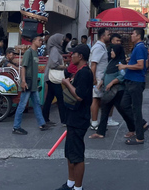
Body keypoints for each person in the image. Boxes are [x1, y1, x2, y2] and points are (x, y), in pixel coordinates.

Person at [58, 44, 94, 190]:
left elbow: (79, 95)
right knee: (70, 152)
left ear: (80, 56)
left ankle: (78, 187)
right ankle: (70, 182)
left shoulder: (85, 72)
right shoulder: (79, 71)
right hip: (73, 117)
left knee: (77, 154)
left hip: (80, 118)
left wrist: (67, 83)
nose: (71, 56)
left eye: (73, 54)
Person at [89, 43, 132, 139]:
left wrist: (112, 82)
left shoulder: (121, 63)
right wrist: (102, 82)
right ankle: (101, 132)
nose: (111, 52)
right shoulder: (111, 62)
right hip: (109, 92)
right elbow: (106, 72)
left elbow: (122, 75)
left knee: (124, 111)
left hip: (117, 91)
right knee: (104, 110)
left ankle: (134, 128)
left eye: (113, 50)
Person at [13, 34, 51, 134]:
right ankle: (16, 127)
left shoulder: (35, 53)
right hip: (28, 83)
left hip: (33, 84)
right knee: (22, 105)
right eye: (39, 40)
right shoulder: (28, 53)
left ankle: (42, 123)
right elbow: (23, 67)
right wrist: (23, 81)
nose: (41, 42)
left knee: (37, 104)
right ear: (33, 41)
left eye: (42, 41)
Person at [118, 28, 149, 145]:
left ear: (138, 36)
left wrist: (125, 67)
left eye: (133, 34)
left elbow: (141, 65)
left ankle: (140, 137)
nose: (131, 36)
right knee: (124, 105)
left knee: (136, 109)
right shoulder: (138, 48)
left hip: (136, 82)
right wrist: (130, 61)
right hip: (131, 80)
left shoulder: (140, 47)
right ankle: (142, 124)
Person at [43, 33, 68, 126]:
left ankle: (45, 118)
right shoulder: (55, 50)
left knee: (49, 98)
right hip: (53, 77)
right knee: (60, 98)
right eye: (61, 39)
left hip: (50, 77)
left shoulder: (55, 49)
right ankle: (64, 120)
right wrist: (63, 67)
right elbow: (53, 64)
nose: (62, 41)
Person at [89, 28, 110, 130]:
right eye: (108, 35)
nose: (109, 36)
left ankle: (96, 121)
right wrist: (93, 78)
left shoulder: (102, 47)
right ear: (102, 36)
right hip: (97, 77)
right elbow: (94, 64)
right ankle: (94, 122)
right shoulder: (98, 47)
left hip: (100, 77)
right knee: (96, 99)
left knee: (98, 99)